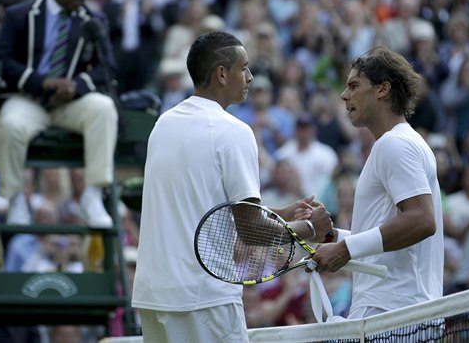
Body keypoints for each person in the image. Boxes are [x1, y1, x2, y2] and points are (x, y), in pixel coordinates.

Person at [132, 30, 332, 343]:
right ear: (222, 74)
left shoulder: (163, 124)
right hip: (203, 299)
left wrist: (280, 213)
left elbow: (209, 209)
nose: (250, 77)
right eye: (244, 68)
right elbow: (250, 229)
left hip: (153, 296)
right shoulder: (233, 131)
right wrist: (308, 227)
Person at [309, 45, 445, 318]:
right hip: (396, 311)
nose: (344, 95)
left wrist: (345, 249)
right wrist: (333, 237)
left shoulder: (395, 144)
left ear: (382, 90)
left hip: (393, 314)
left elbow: (421, 220)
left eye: (354, 85)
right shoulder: (399, 142)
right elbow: (389, 238)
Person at [0, 0, 117, 228]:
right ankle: (15, 200)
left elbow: (107, 67)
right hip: (29, 98)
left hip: (71, 102)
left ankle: (92, 195)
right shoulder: (19, 14)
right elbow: (1, 60)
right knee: (10, 125)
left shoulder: (93, 19)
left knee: (103, 108)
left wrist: (75, 86)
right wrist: (42, 82)